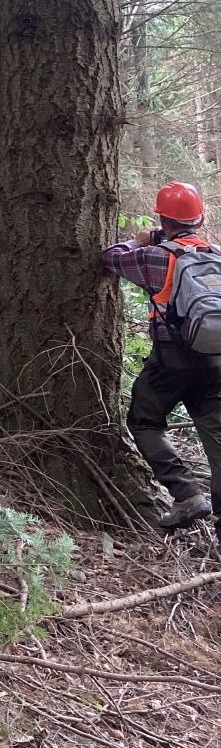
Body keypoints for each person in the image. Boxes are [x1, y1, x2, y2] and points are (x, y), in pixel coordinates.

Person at [102, 181, 220, 529]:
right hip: (216, 358)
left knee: (144, 420)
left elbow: (110, 257)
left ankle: (186, 494)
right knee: (215, 432)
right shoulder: (216, 255)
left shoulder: (156, 256)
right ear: (199, 219)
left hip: (172, 358)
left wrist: (139, 240)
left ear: (163, 220)